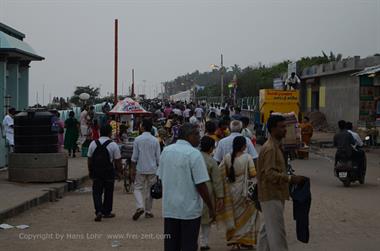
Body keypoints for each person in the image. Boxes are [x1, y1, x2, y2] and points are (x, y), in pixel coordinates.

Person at [157, 123, 215, 251]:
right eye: (197, 135)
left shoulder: (166, 151)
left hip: (170, 208)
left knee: (171, 245)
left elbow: (161, 177)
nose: (199, 138)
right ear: (189, 136)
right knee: (188, 245)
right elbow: (201, 184)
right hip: (189, 210)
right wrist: (211, 206)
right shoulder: (194, 154)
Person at [257, 115, 305, 251]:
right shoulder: (270, 148)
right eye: (282, 127)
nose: (285, 130)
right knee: (277, 234)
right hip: (271, 194)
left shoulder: (276, 146)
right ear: (273, 129)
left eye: (285, 126)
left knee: (267, 231)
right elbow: (269, 174)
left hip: (274, 194)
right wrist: (290, 179)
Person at [218, 136, 258, 249]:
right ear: (242, 146)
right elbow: (253, 173)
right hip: (244, 191)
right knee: (247, 216)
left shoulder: (227, 157)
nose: (246, 146)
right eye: (245, 144)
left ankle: (234, 241)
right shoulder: (247, 157)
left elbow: (221, 172)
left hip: (231, 191)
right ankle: (245, 240)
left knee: (234, 217)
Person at [87, 124, 122, 222]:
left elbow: (89, 159)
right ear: (110, 133)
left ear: (100, 132)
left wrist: (90, 171)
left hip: (96, 171)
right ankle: (106, 212)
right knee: (108, 191)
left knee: (97, 192)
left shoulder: (93, 143)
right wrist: (119, 172)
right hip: (108, 171)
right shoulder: (113, 144)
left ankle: (98, 210)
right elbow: (117, 160)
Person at [131, 119, 161, 220]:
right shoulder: (155, 140)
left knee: (137, 188)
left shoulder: (137, 139)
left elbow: (134, 157)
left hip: (140, 168)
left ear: (142, 127)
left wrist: (132, 169)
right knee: (150, 190)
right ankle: (148, 211)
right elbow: (158, 158)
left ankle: (140, 206)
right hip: (152, 169)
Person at [199, 136, 224, 250]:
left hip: (193, 189)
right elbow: (217, 180)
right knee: (207, 218)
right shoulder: (211, 161)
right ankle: (204, 242)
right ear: (211, 148)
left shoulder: (194, 157)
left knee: (194, 218)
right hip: (207, 189)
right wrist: (220, 196)